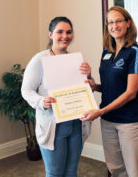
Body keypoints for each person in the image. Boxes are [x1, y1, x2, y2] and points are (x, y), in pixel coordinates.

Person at [81, 6, 138, 177]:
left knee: (135, 172)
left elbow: (130, 93)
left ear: (128, 23)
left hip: (130, 121)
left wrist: (100, 111)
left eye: (119, 20)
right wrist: (95, 87)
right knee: (116, 169)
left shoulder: (135, 52)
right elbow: (112, 86)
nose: (114, 25)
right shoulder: (106, 52)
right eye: (110, 22)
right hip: (108, 121)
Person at [21, 16, 91, 177]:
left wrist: (89, 75)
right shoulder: (40, 59)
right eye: (60, 32)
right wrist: (41, 101)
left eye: (69, 32)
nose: (65, 36)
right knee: (55, 173)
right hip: (53, 126)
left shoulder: (75, 60)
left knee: (71, 172)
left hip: (75, 124)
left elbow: (85, 89)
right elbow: (26, 90)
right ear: (50, 34)